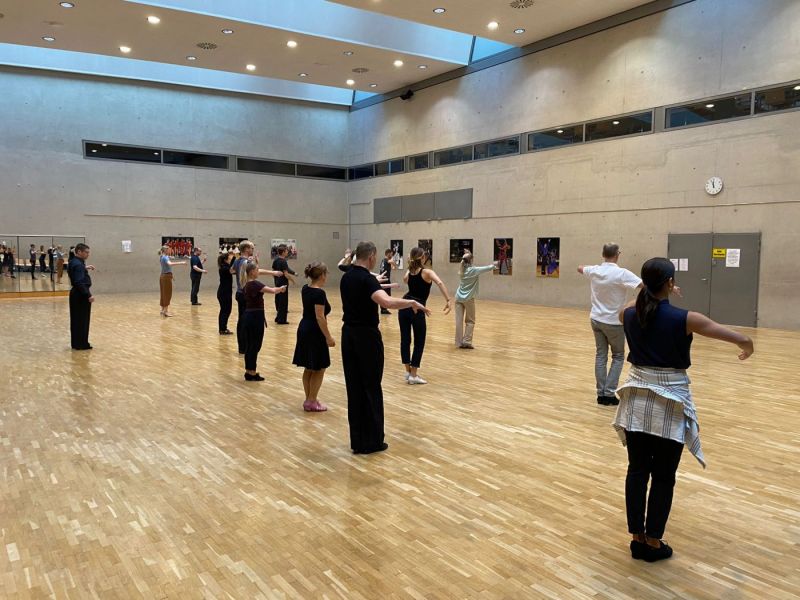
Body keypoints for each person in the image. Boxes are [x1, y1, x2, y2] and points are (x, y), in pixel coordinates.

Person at [613, 257, 754, 563]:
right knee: (664, 476)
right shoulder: (686, 318)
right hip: (670, 403)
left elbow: (629, 307)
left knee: (637, 471)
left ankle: (637, 538)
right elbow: (735, 336)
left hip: (636, 399)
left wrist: (651, 290)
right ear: (670, 283)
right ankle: (653, 541)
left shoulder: (628, 314)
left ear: (643, 284)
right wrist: (747, 344)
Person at [340, 241, 430, 454]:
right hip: (366, 338)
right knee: (371, 386)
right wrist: (411, 303)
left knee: (354, 387)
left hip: (348, 335)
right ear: (371, 257)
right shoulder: (367, 280)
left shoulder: (347, 277)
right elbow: (386, 302)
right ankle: (372, 441)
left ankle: (358, 440)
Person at [578, 243, 643, 406]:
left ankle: (600, 394)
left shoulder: (594, 270)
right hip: (614, 322)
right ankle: (608, 393)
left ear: (603, 254)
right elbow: (645, 286)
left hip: (596, 320)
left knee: (601, 355)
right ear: (618, 254)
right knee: (618, 356)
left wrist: (586, 268)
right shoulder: (622, 273)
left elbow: (580, 268)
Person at [399, 247, 452, 384]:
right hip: (417, 308)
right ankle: (413, 375)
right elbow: (439, 282)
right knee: (419, 341)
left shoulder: (409, 272)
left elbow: (405, 279)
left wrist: (410, 265)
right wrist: (448, 300)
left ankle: (408, 371)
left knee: (405, 339)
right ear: (423, 258)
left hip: (404, 306)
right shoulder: (427, 272)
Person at [292, 262, 335, 411]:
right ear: (322, 275)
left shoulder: (305, 288)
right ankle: (311, 400)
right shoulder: (319, 293)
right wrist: (328, 337)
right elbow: (320, 317)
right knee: (319, 367)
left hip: (304, 327)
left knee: (309, 367)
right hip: (314, 331)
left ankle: (310, 400)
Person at [233, 241, 283, 354]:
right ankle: (245, 347)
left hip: (241, 292)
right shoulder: (246, 262)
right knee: (245, 321)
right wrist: (273, 273)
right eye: (251, 248)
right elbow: (255, 271)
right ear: (246, 249)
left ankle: (243, 347)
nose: (253, 250)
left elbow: (232, 270)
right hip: (246, 294)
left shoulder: (237, 260)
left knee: (242, 320)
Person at [242, 262, 287, 381]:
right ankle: (251, 372)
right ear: (252, 272)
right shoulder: (255, 284)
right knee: (255, 345)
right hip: (255, 317)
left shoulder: (246, 283)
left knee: (250, 345)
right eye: (257, 270)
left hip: (249, 316)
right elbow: (272, 290)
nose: (258, 272)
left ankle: (249, 371)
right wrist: (281, 289)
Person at [453, 252, 498, 349]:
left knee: (458, 321)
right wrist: (494, 265)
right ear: (471, 260)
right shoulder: (473, 270)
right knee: (470, 321)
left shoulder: (462, 269)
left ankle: (458, 342)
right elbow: (486, 268)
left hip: (458, 298)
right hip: (468, 299)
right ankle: (467, 342)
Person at [67, 243, 95, 350]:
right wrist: (88, 295)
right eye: (86, 252)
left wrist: (84, 268)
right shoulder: (78, 265)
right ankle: (82, 344)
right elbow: (79, 282)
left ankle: (76, 343)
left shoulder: (74, 261)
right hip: (81, 294)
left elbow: (75, 270)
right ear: (79, 252)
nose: (88, 254)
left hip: (76, 293)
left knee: (76, 320)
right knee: (82, 320)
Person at [272, 244, 297, 324]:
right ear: (283, 252)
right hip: (283, 283)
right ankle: (281, 320)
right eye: (286, 251)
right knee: (283, 302)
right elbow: (286, 274)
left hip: (277, 282)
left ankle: (278, 317)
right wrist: (292, 280)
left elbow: (273, 271)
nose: (287, 252)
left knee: (278, 300)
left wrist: (276, 280)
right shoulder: (283, 261)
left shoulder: (276, 260)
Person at [159, 245, 187, 317]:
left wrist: (171, 275)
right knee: (167, 294)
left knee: (163, 293)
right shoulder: (165, 257)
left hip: (163, 276)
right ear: (165, 250)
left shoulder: (161, 257)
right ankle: (165, 311)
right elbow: (170, 264)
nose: (170, 251)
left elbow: (166, 267)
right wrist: (181, 263)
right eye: (169, 250)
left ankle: (162, 310)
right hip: (166, 277)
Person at [217, 251, 235, 335]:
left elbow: (232, 268)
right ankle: (222, 329)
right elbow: (233, 270)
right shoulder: (224, 268)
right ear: (225, 260)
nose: (230, 259)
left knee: (225, 310)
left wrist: (233, 257)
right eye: (229, 258)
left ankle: (222, 328)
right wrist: (235, 258)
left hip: (224, 292)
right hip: (224, 293)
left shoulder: (225, 266)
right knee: (225, 311)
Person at [379, 248, 394, 314]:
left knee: (384, 295)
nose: (392, 255)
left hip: (382, 280)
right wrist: (393, 262)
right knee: (386, 295)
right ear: (388, 254)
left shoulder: (383, 260)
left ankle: (383, 309)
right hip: (385, 280)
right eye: (391, 254)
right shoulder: (387, 260)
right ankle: (384, 309)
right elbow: (394, 265)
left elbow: (393, 268)